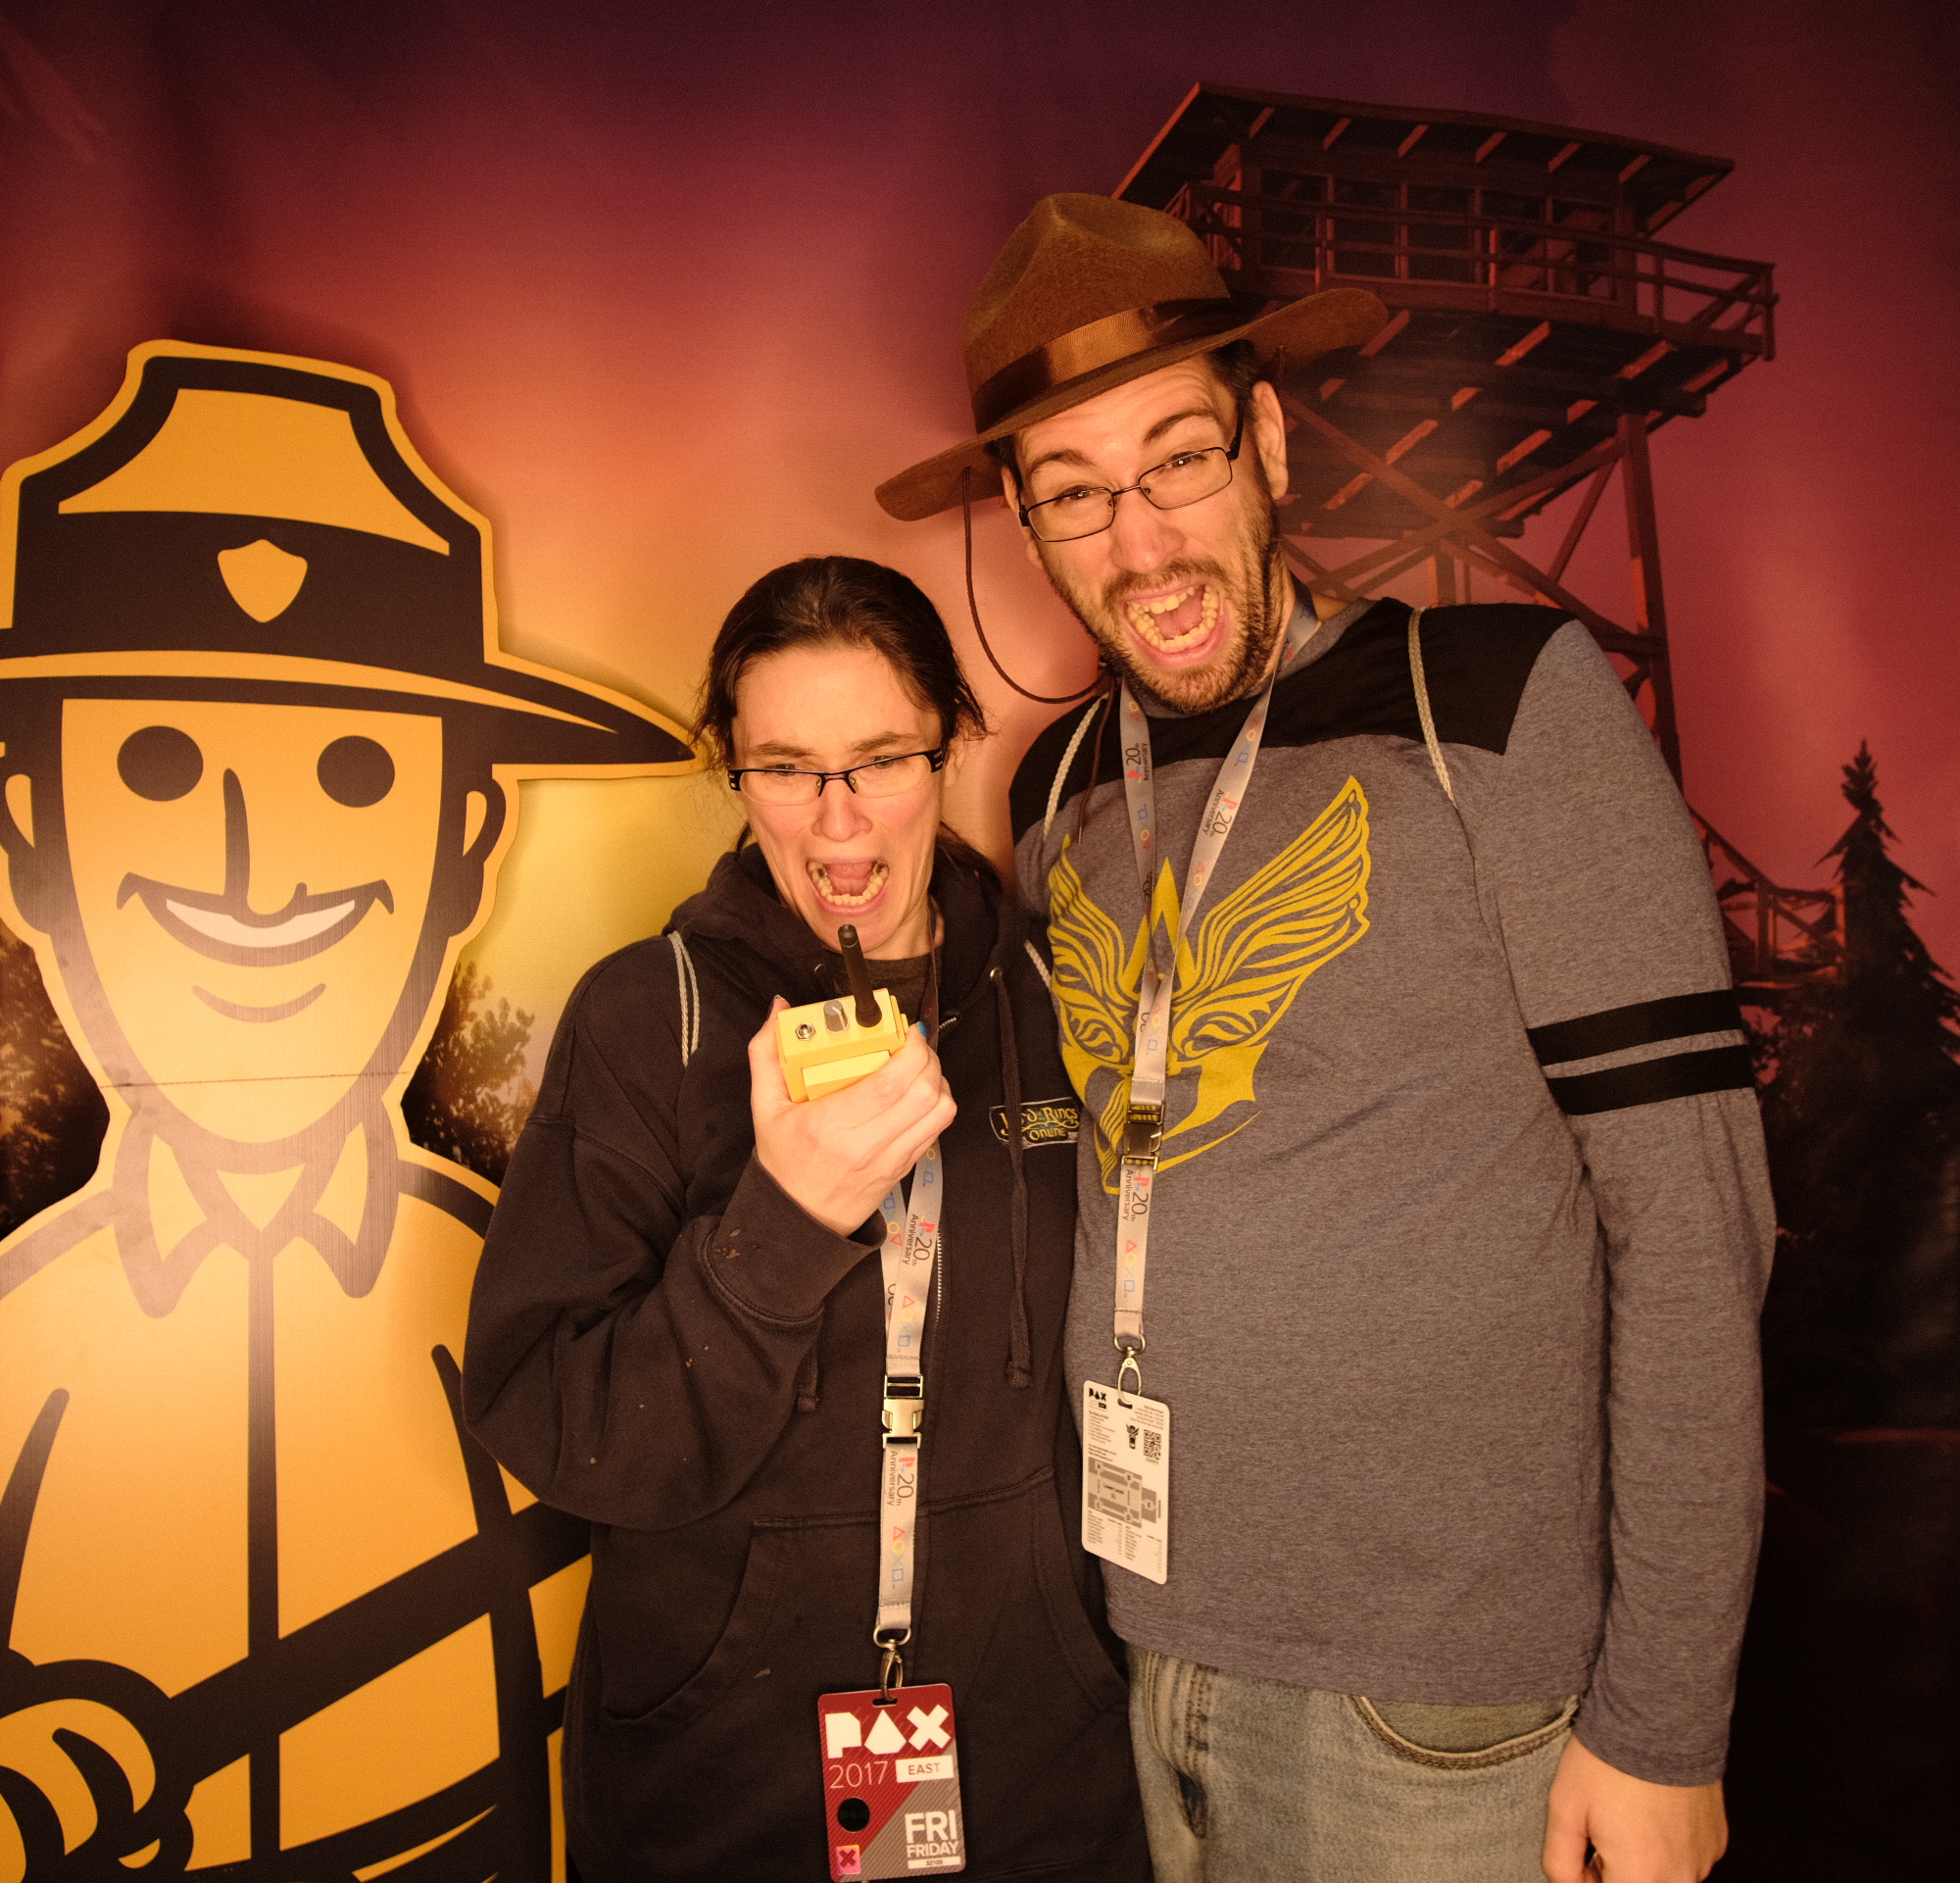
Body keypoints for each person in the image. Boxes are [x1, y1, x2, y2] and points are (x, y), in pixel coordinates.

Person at [876, 194, 1775, 1883]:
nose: (1141, 544)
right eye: (1073, 491)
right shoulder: (1057, 792)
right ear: (1026, 521)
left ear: (1270, 442)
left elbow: (1694, 1224)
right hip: (1140, 1652)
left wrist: (1665, 1721)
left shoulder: (1498, 701)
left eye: (1178, 459)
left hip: (1435, 1712)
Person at [0, 343, 692, 1876]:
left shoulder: (519, 1306)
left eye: (355, 769)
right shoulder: (12, 1356)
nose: (259, 869)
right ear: (31, 821)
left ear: (467, 833)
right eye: (162, 762)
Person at [462, 557, 1150, 1880]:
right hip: (725, 1773)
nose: (838, 821)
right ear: (733, 769)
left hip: (1036, 1760)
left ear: (951, 743)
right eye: (785, 768)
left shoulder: (1058, 996)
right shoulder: (646, 1017)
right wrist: (781, 1225)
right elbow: (554, 1422)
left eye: (880, 760)